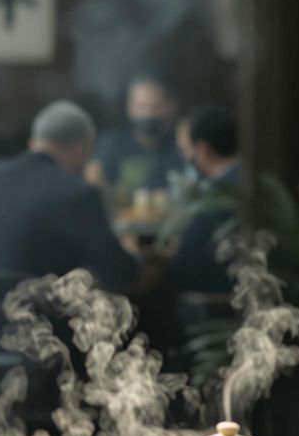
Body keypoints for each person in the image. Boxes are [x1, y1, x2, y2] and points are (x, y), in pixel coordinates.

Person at [0, 100, 143, 290]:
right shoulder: (77, 192)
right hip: (31, 315)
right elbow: (121, 273)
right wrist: (131, 249)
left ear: (34, 141)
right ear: (82, 149)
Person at [168, 104, 242, 293]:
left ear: (204, 150)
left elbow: (186, 267)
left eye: (188, 149)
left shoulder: (211, 199)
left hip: (214, 304)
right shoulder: (251, 180)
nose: (187, 158)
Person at [87, 69, 186, 201]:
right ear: (129, 108)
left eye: (156, 107)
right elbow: (94, 182)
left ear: (172, 106)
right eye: (141, 107)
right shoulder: (110, 145)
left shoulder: (183, 146)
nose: (148, 114)